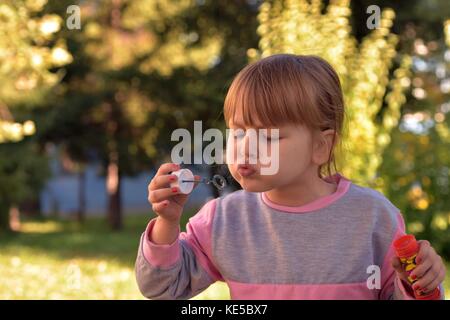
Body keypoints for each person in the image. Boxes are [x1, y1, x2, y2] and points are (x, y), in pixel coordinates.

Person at [135, 54, 446, 300]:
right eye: (239, 132)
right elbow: (163, 288)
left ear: (321, 146)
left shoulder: (373, 218)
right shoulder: (225, 220)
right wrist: (167, 222)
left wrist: (419, 283)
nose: (247, 148)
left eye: (269, 138)